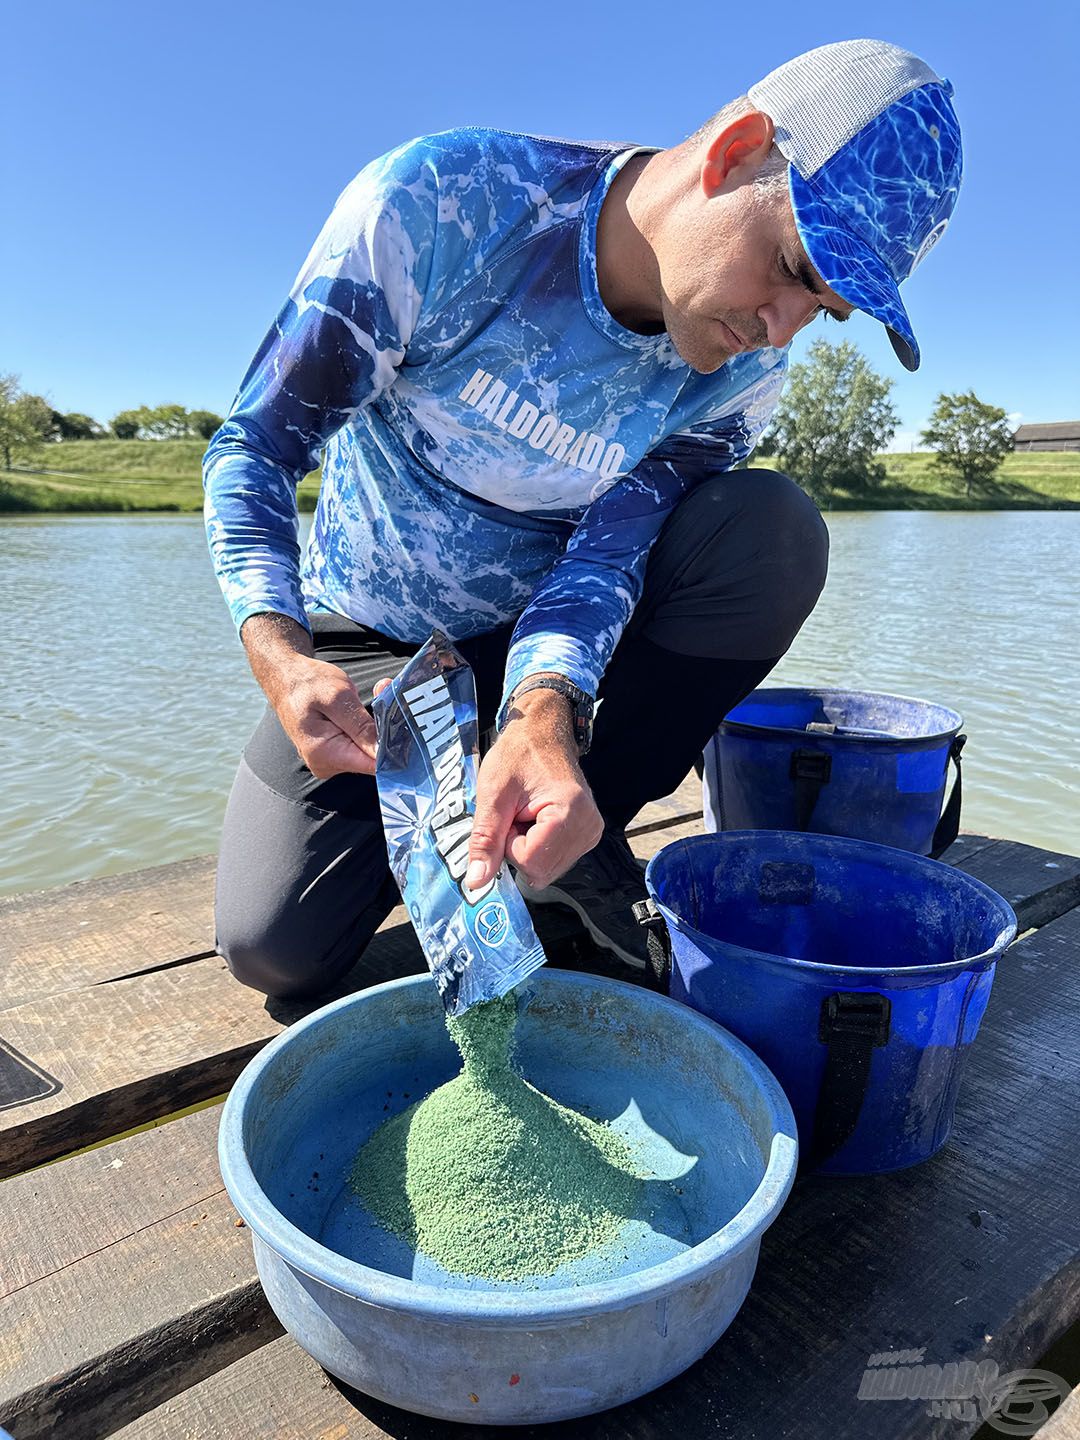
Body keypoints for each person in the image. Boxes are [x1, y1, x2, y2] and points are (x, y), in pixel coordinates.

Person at [204, 38, 962, 998]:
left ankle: (574, 828)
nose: (781, 328)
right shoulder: (443, 202)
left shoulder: (747, 374)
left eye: (823, 306)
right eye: (791, 266)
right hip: (372, 636)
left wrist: (544, 710)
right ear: (735, 151)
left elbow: (608, 555)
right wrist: (279, 654)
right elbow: (255, 447)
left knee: (771, 530)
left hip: (554, 647)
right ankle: (488, 818)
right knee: (272, 945)